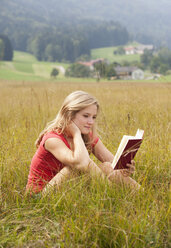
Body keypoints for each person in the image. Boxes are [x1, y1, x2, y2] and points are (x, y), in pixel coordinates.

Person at [26, 90, 140, 194]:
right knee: (74, 167)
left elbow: (112, 163)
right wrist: (75, 133)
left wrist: (125, 167)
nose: (91, 122)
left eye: (94, 117)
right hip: (41, 196)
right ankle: (113, 194)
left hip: (67, 192)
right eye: (86, 116)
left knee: (106, 166)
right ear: (69, 115)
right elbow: (81, 163)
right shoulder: (52, 139)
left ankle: (140, 193)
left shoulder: (87, 136)